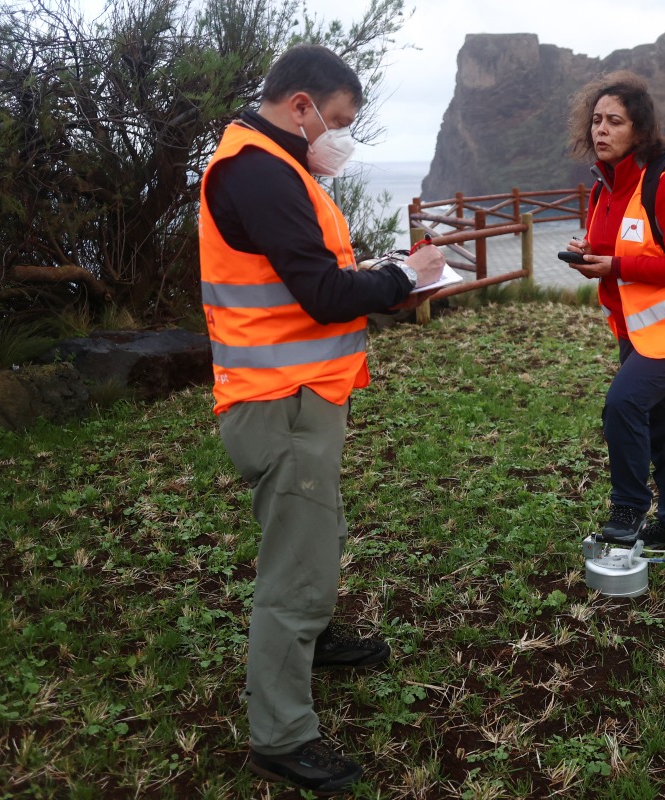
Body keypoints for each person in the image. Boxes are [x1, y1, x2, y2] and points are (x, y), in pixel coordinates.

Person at [198, 44, 445, 795]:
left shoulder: (275, 167)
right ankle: (281, 735)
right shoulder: (262, 173)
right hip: (279, 403)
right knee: (294, 565)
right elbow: (320, 294)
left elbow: (311, 271)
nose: (340, 136)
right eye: (336, 121)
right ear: (300, 106)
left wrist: (383, 270)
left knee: (317, 527)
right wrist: (404, 276)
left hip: (302, 392)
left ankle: (315, 638)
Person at [563, 71, 665, 548]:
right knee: (664, 428)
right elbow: (619, 249)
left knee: (624, 403)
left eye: (615, 121)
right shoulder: (604, 187)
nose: (601, 130)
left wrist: (614, 263)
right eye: (596, 120)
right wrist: (589, 252)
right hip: (636, 328)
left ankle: (629, 508)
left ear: (639, 130)